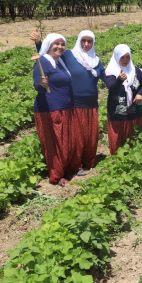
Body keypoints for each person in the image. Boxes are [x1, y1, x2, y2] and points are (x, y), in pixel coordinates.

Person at [31, 30, 104, 176]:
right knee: (69, 139)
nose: (86, 44)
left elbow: (106, 78)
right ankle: (64, 170)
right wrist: (39, 42)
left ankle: (79, 164)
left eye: (90, 41)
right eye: (83, 40)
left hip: (81, 104)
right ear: (78, 41)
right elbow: (48, 55)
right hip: (66, 105)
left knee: (82, 138)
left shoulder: (95, 60)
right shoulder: (69, 56)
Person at [33, 33, 74, 186]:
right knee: (55, 143)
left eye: (62, 44)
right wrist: (42, 85)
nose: (60, 47)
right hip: (50, 109)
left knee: (65, 141)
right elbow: (37, 86)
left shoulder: (59, 61)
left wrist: (38, 42)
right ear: (49, 45)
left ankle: (64, 168)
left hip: (65, 108)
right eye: (56, 44)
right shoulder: (42, 62)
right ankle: (56, 174)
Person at [105, 44, 142, 155]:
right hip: (117, 114)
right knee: (118, 143)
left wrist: (140, 93)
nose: (125, 60)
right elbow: (112, 89)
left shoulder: (135, 70)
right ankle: (117, 163)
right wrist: (119, 80)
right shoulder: (111, 72)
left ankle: (133, 162)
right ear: (116, 57)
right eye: (122, 57)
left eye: (127, 57)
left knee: (134, 139)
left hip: (134, 112)